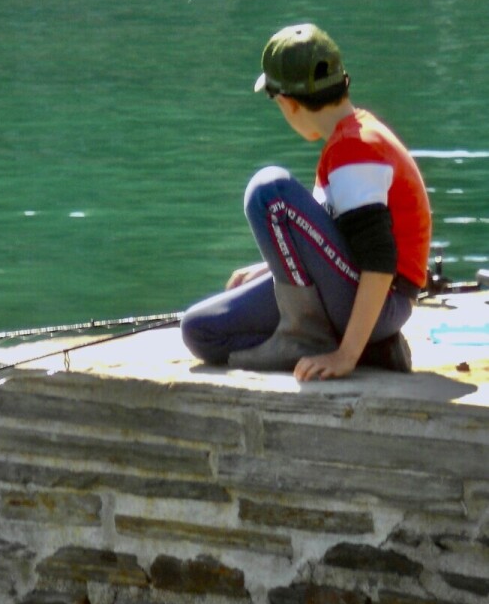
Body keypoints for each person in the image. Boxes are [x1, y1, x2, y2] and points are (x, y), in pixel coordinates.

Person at [180, 23, 431, 380]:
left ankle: (321, 341)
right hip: (352, 298)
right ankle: (373, 350)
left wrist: (344, 357)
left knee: (270, 192)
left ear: (288, 103)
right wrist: (272, 266)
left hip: (383, 303)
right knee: (201, 330)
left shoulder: (356, 149)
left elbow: (379, 262)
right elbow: (336, 242)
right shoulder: (345, 141)